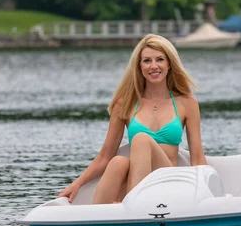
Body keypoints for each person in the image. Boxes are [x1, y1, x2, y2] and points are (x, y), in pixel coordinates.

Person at [58, 34, 207, 204]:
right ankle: (98, 218)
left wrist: (202, 196)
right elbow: (105, 156)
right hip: (135, 183)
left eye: (160, 59)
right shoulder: (124, 103)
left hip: (166, 182)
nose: (154, 66)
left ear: (169, 64)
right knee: (118, 162)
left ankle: (130, 206)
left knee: (142, 139)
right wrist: (76, 184)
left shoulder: (186, 103)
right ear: (139, 66)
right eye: (147, 61)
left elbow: (197, 158)